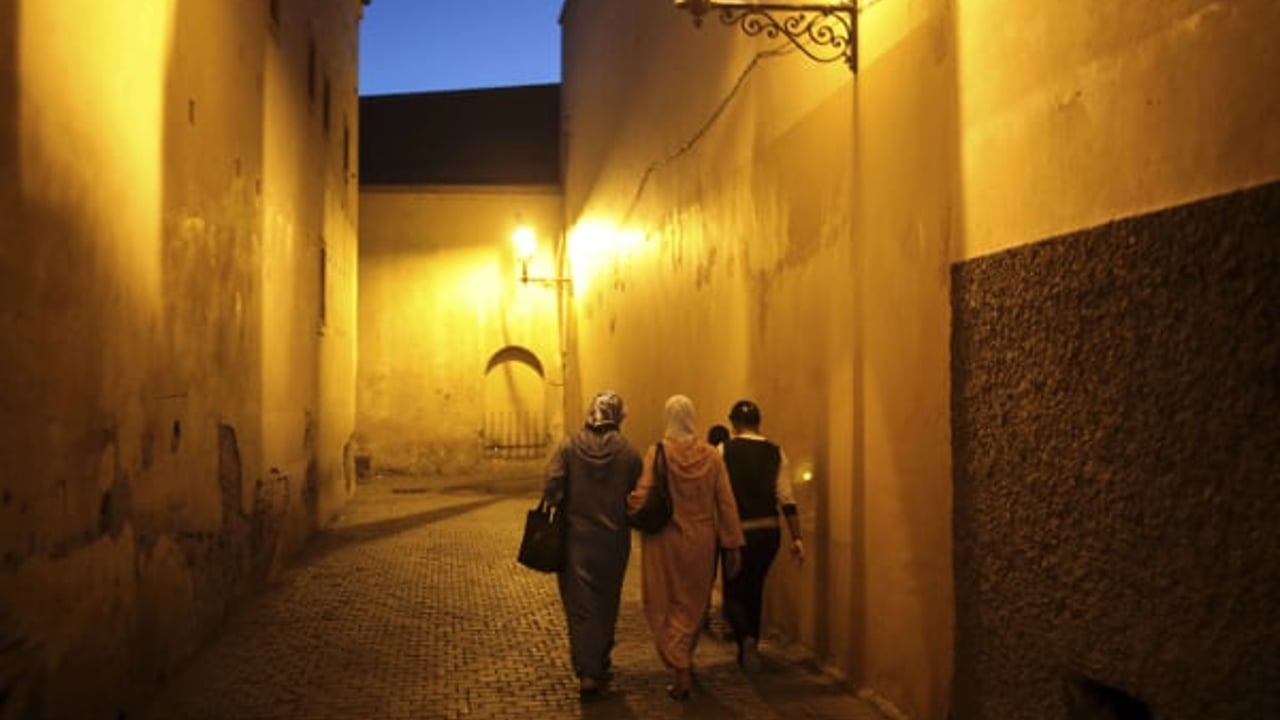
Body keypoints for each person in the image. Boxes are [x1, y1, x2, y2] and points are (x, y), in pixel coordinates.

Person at [628, 394, 745, 700]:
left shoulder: (658, 454)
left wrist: (630, 506)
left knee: (662, 599)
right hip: (701, 540)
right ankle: (685, 662)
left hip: (663, 540)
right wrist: (732, 544)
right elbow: (726, 502)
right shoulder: (712, 456)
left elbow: (642, 495)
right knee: (692, 603)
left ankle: (679, 666)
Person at [542, 390, 644, 699]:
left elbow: (552, 486)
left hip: (576, 540)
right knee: (606, 601)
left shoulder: (569, 446)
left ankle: (587, 672)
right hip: (613, 541)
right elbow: (638, 495)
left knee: (580, 605)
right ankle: (600, 658)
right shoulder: (628, 452)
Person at [720, 399, 805, 673]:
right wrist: (797, 538)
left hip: (737, 533)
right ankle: (753, 643)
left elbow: (717, 494)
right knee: (755, 587)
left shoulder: (723, 451)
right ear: (759, 422)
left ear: (734, 423)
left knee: (733, 589)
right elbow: (786, 498)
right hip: (769, 533)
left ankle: (744, 637)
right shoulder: (776, 452)